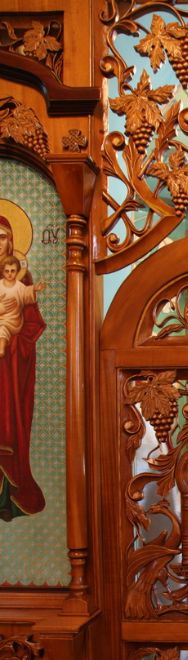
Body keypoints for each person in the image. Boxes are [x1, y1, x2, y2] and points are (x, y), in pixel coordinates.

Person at [0, 216, 46, 520]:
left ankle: (7, 499)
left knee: (8, 426)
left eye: (2, 236)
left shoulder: (21, 277)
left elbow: (33, 322)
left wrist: (16, 341)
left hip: (10, 367)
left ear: (11, 241)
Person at [0, 256, 45, 357]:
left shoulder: (20, 287)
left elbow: (27, 293)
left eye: (12, 271)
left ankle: (1, 348)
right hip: (1, 317)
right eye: (7, 271)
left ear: (17, 271)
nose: (9, 274)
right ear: (2, 271)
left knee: (2, 329)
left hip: (13, 321)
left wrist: (34, 289)